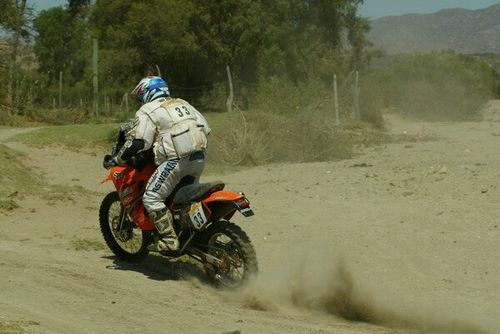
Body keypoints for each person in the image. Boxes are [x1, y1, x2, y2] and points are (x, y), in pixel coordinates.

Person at [104, 76, 211, 252]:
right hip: (199, 158)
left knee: (151, 197)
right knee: (182, 200)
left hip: (175, 161)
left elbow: (139, 142)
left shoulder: (148, 109)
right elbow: (206, 128)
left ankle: (169, 240)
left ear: (147, 92)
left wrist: (117, 159)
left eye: (140, 96)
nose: (140, 100)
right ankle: (189, 235)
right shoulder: (182, 103)